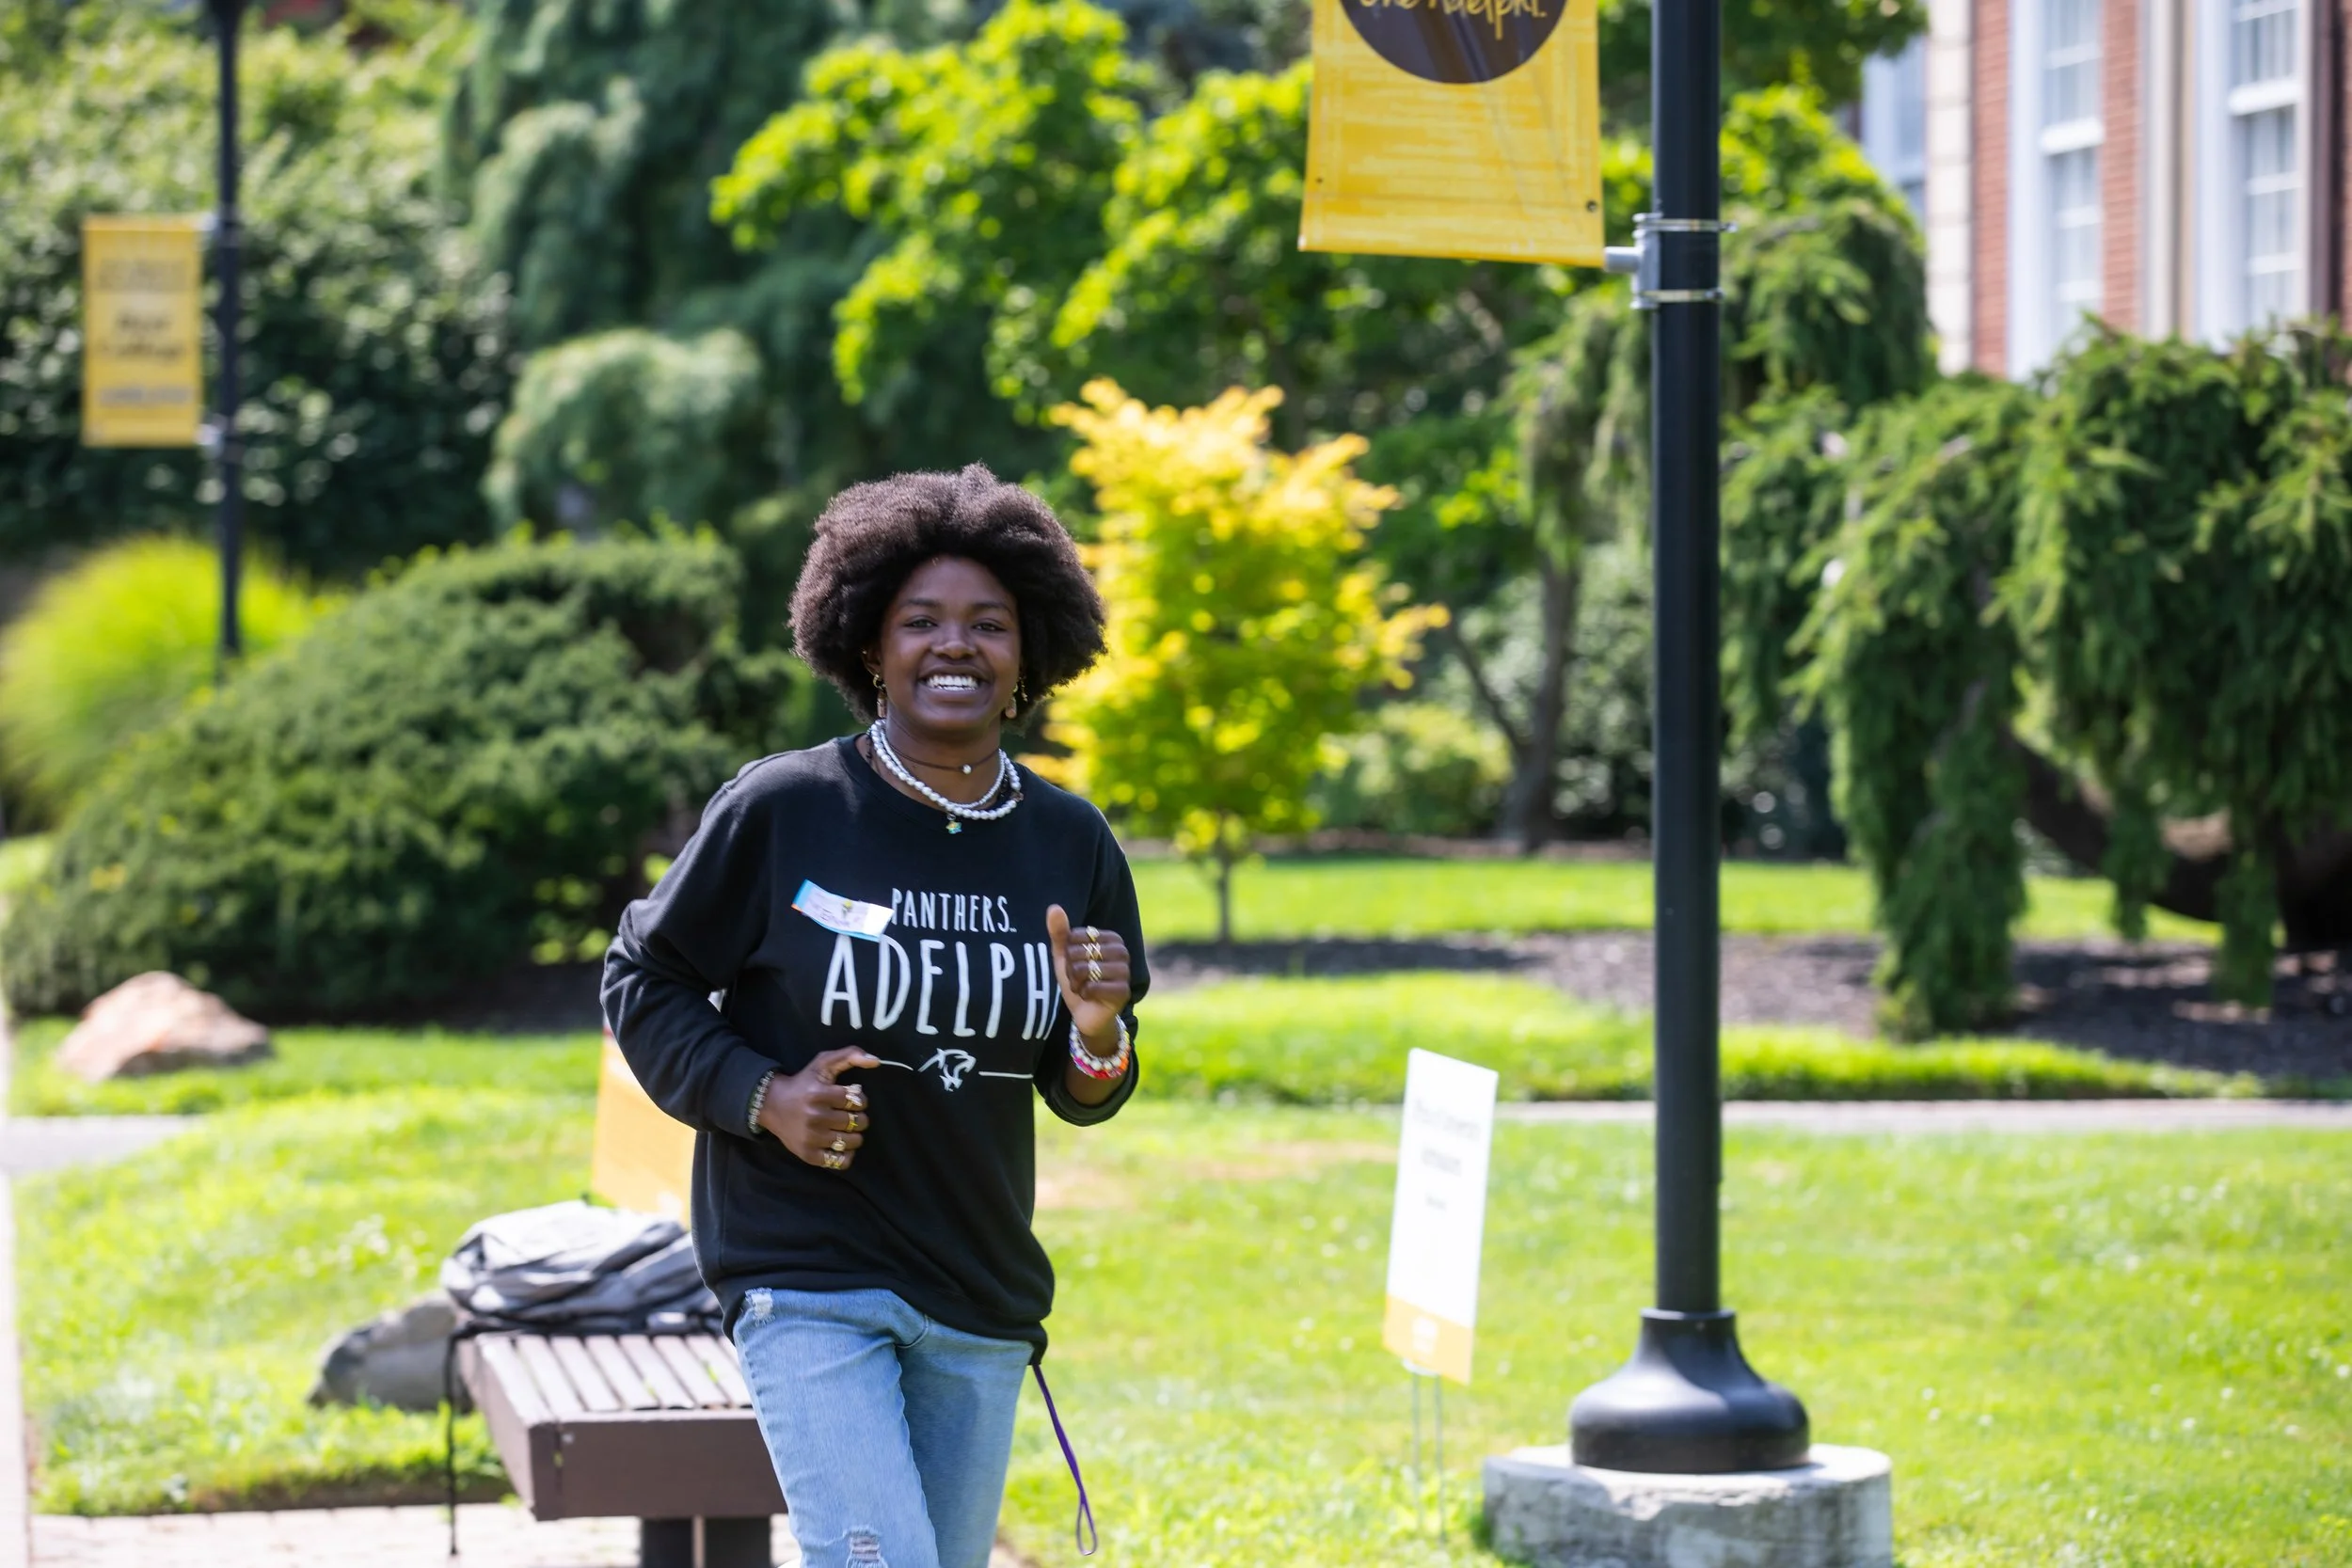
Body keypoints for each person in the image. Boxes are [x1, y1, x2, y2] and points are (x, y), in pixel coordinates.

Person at [602, 464, 1143, 1568]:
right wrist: (764, 1095)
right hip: (807, 1276)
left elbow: (1086, 1088)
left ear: (1030, 654)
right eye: (922, 622)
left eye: (988, 624)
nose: (956, 646)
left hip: (978, 1284)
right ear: (866, 645)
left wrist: (1095, 1030)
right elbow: (641, 975)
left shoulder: (1069, 840)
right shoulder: (783, 808)